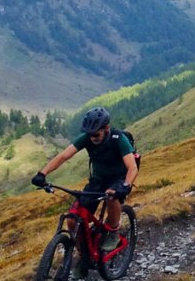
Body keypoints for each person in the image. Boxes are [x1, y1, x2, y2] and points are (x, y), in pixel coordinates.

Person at [31, 106, 138, 252]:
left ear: (106, 128)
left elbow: (132, 167)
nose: (92, 137)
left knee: (111, 196)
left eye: (96, 134)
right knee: (72, 219)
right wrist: (42, 174)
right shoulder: (87, 138)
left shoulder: (119, 139)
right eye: (90, 134)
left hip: (119, 179)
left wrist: (125, 185)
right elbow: (63, 156)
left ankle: (114, 233)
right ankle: (84, 255)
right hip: (98, 181)